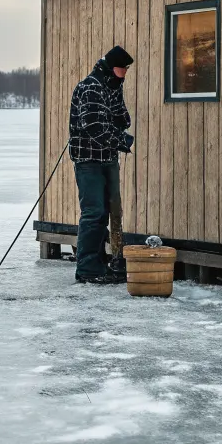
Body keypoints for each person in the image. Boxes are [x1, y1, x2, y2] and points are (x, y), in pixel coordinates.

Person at [69, 45, 135, 284]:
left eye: (127, 69)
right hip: (89, 160)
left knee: (106, 212)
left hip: (107, 158)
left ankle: (100, 263)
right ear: (111, 67)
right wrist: (123, 141)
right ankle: (87, 269)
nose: (125, 73)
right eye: (122, 69)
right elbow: (95, 127)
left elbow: (123, 119)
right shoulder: (91, 87)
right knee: (93, 213)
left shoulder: (111, 86)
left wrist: (118, 105)